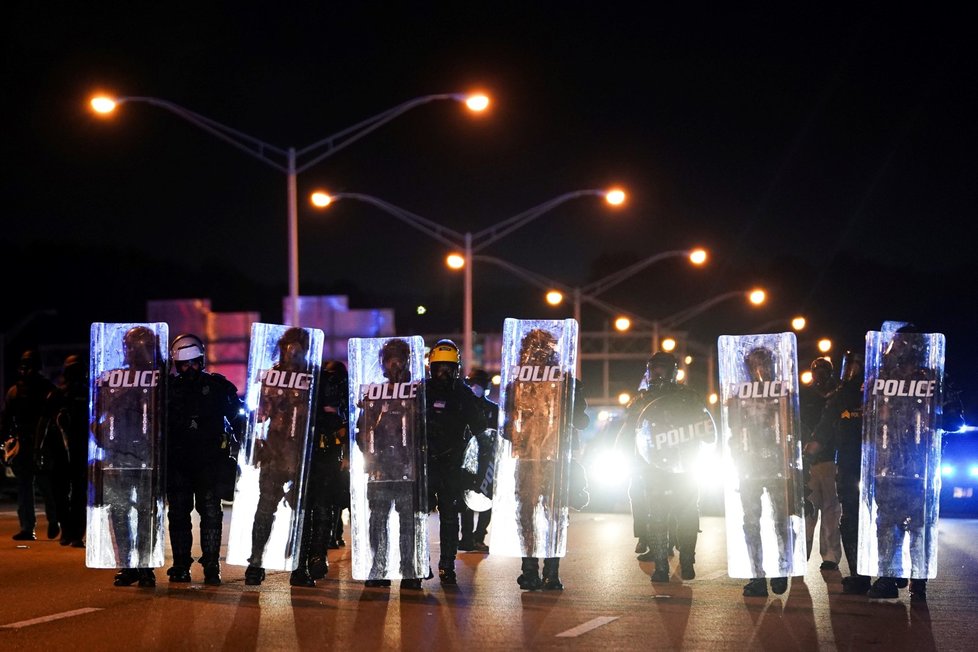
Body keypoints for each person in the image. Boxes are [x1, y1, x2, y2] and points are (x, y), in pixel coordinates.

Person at [616, 351, 715, 582]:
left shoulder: (688, 397)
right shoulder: (641, 400)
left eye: (662, 368)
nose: (657, 373)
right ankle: (661, 566)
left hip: (685, 465)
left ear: (673, 371)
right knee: (657, 516)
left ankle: (688, 560)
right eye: (654, 369)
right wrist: (621, 452)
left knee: (688, 514)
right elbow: (629, 430)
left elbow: (706, 428)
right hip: (653, 468)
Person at [503, 327, 588, 591]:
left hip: (555, 459)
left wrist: (566, 413)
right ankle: (529, 569)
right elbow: (505, 421)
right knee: (526, 513)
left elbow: (582, 419)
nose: (538, 354)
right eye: (533, 348)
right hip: (527, 459)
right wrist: (514, 430)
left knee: (554, 514)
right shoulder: (516, 384)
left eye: (543, 348)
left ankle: (551, 571)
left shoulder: (567, 382)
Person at [864, 327, 941, 601]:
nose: (896, 349)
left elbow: (954, 416)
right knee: (886, 522)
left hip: (919, 466)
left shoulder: (930, 378)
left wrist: (937, 411)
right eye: (894, 345)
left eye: (901, 344)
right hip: (888, 464)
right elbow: (867, 417)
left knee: (918, 525)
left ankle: (918, 580)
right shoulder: (883, 378)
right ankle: (888, 576)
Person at [166, 334, 244, 586]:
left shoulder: (219, 387)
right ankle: (180, 566)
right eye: (184, 365)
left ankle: (211, 565)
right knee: (178, 514)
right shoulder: (167, 390)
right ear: (177, 365)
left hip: (210, 461)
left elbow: (238, 418)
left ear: (202, 361)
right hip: (178, 462)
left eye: (194, 363)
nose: (190, 369)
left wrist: (252, 444)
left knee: (211, 513)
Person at [92, 326, 165, 587]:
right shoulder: (112, 378)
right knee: (120, 512)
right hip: (118, 454)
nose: (135, 351)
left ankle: (144, 565)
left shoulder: (161, 379)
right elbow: (97, 414)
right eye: (132, 346)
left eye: (142, 345)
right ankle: (127, 564)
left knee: (147, 513)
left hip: (148, 455)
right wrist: (101, 434)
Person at [245, 327, 315, 586]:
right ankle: (255, 561)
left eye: (298, 348)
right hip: (275, 452)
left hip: (301, 455)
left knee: (302, 513)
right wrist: (256, 441)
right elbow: (260, 414)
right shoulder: (272, 377)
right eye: (289, 347)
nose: (292, 353)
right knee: (265, 509)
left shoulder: (313, 376)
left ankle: (299, 565)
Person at [727, 346, 800, 597]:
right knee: (751, 521)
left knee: (782, 520)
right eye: (755, 364)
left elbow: (793, 426)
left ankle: (781, 569)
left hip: (777, 464)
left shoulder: (782, 391)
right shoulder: (740, 394)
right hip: (750, 465)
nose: (760, 369)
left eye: (764, 363)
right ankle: (757, 575)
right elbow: (733, 430)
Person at [357, 338, 425, 589]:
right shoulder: (376, 394)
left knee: (408, 519)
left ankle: (409, 567)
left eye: (400, 358)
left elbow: (425, 428)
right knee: (378, 518)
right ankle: (379, 566)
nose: (395, 364)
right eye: (390, 359)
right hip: (381, 467)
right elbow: (362, 430)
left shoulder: (417, 393)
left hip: (407, 467)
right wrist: (371, 454)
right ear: (383, 363)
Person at [425, 339, 488, 585]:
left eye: (448, 368)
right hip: (426, 461)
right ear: (431, 367)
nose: (443, 373)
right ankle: (421, 562)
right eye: (439, 367)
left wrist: (476, 465)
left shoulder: (463, 393)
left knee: (450, 516)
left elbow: (480, 430)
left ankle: (447, 565)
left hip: (453, 462)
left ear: (456, 368)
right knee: (419, 514)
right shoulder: (422, 390)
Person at [810, 349, 868, 594]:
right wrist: (813, 444)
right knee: (846, 519)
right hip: (845, 462)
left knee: (879, 523)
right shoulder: (842, 394)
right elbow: (825, 421)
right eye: (850, 365)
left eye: (857, 364)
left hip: (872, 464)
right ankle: (858, 575)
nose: (853, 370)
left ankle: (890, 574)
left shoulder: (876, 391)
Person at [291, 359, 349, 587]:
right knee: (305, 515)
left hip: (328, 460)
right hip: (306, 461)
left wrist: (346, 454)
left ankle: (316, 557)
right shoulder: (306, 394)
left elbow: (351, 425)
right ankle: (299, 567)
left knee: (324, 512)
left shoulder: (343, 397)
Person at [1, 350, 58, 541]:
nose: (26, 370)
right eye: (24, 366)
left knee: (44, 484)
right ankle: (27, 527)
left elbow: (54, 417)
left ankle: (53, 520)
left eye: (29, 365)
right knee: (25, 486)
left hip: (42, 443)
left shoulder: (46, 389)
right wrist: (5, 442)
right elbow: (6, 419)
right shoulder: (15, 391)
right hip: (24, 442)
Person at [42, 354, 88, 547]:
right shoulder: (56, 394)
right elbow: (44, 423)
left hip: (80, 449)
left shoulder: (89, 393)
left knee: (78, 493)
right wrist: (39, 450)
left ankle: (76, 533)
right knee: (60, 493)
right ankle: (67, 530)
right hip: (59, 451)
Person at [799, 357, 841, 571]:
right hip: (809, 459)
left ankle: (830, 556)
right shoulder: (805, 394)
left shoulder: (838, 393)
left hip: (829, 459)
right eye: (817, 370)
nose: (820, 375)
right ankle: (802, 554)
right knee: (809, 510)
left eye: (823, 371)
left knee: (831, 512)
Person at [458, 368, 498, 554]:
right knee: (465, 499)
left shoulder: (493, 409)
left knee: (486, 498)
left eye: (480, 384)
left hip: (488, 460)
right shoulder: (463, 406)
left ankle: (479, 536)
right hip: (467, 460)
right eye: (473, 383)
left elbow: (499, 434)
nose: (476, 388)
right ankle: (466, 537)